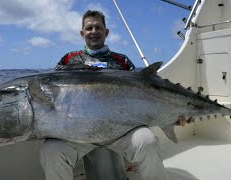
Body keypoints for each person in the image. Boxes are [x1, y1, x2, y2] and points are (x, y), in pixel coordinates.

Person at [40, 10, 185, 180]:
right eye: (89, 28)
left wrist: (173, 114)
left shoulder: (121, 61)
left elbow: (143, 94)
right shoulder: (69, 59)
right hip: (77, 133)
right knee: (50, 151)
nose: (93, 31)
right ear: (82, 33)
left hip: (121, 131)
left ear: (106, 32)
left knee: (148, 142)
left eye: (98, 27)